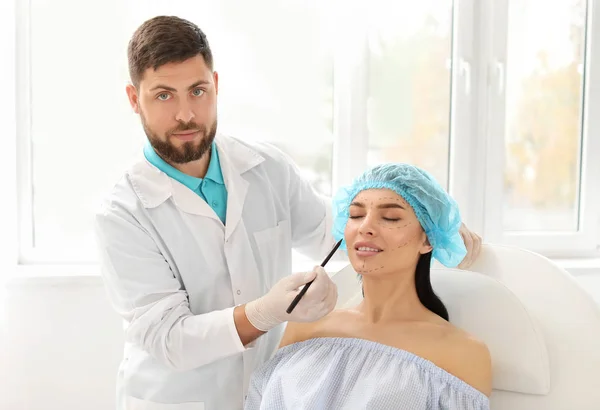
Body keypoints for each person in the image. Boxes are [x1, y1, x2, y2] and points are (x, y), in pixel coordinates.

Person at [94, 15, 483, 410]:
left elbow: (332, 233)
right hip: (179, 399)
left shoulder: (266, 168)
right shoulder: (123, 212)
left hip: (265, 393)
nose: (185, 114)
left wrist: (435, 225)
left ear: (216, 85)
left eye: (197, 91)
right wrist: (264, 313)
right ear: (133, 99)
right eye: (164, 95)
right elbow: (170, 340)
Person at [244, 163, 492, 410]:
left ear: (428, 238)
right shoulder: (305, 326)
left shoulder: (463, 353)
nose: (365, 227)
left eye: (391, 217)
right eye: (355, 215)